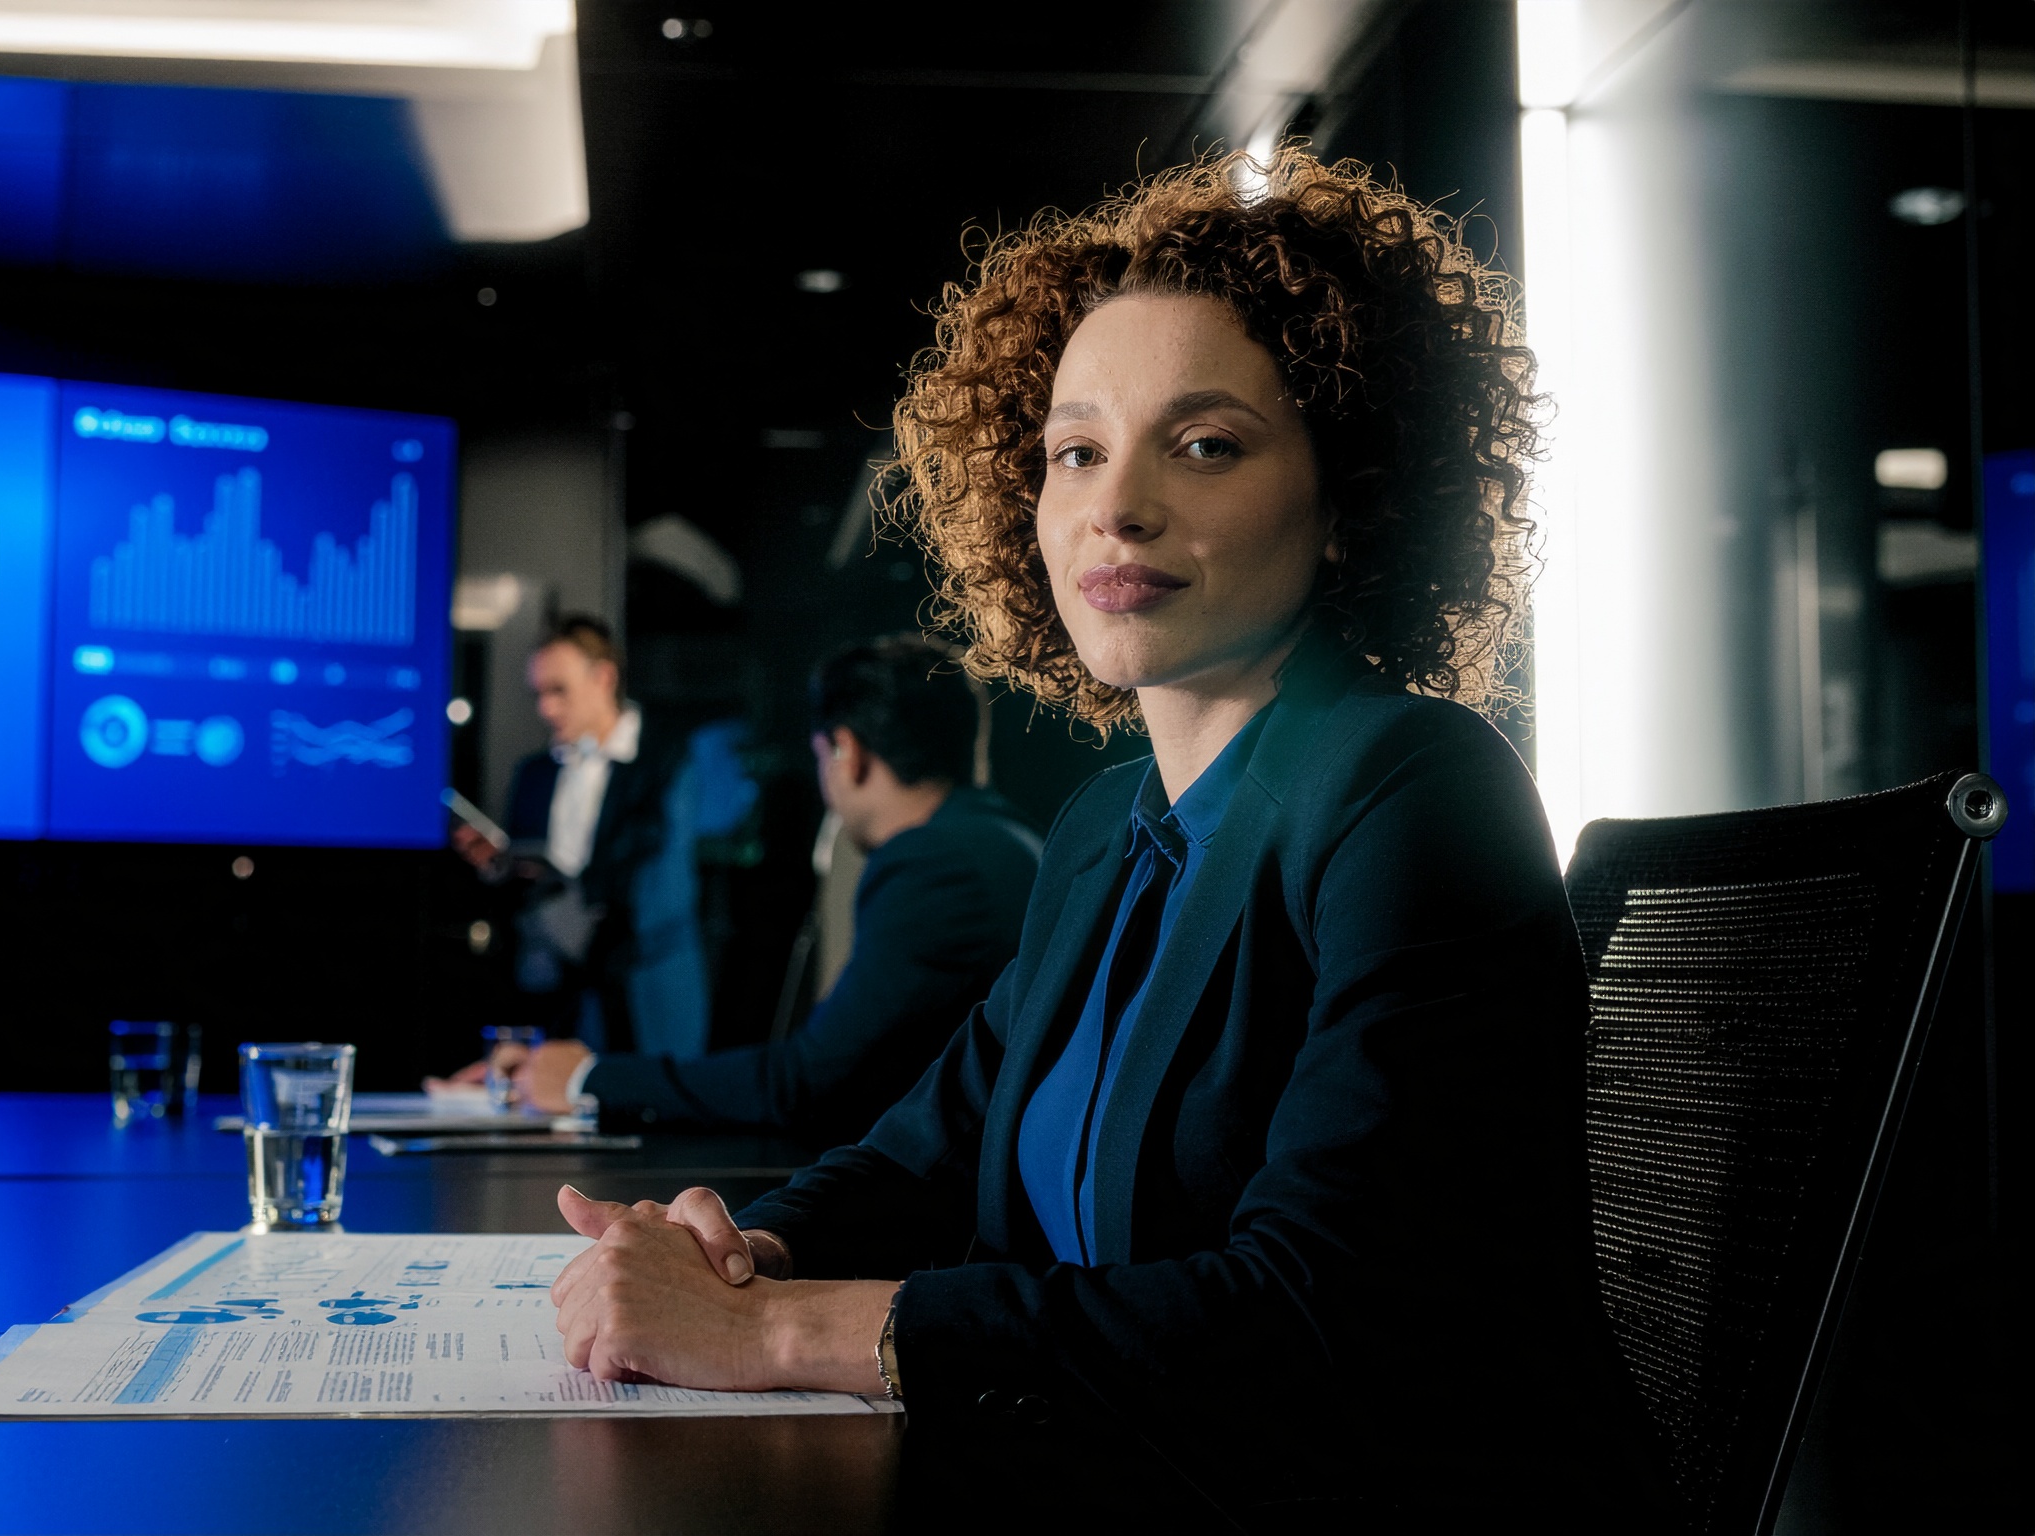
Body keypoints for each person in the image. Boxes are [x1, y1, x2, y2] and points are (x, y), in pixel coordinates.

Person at [534, 149, 1669, 1525]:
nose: (1112, 505)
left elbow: (1312, 1321)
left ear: (1354, 492)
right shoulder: (1101, 830)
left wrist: (771, 1335)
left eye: (1205, 443)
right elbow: (920, 1154)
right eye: (1075, 450)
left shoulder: (1414, 786)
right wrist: (742, 1247)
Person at [443, 635, 1040, 1147]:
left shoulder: (931, 864)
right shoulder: (999, 838)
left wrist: (586, 1079)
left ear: (846, 753)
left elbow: (808, 1082)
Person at [453, 615, 708, 1059]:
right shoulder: (533, 774)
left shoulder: (667, 760)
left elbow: (666, 893)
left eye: (559, 691)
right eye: (539, 694)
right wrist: (501, 867)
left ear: (603, 678)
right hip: (559, 996)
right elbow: (526, 888)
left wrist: (586, 915)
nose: (546, 709)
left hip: (647, 994)